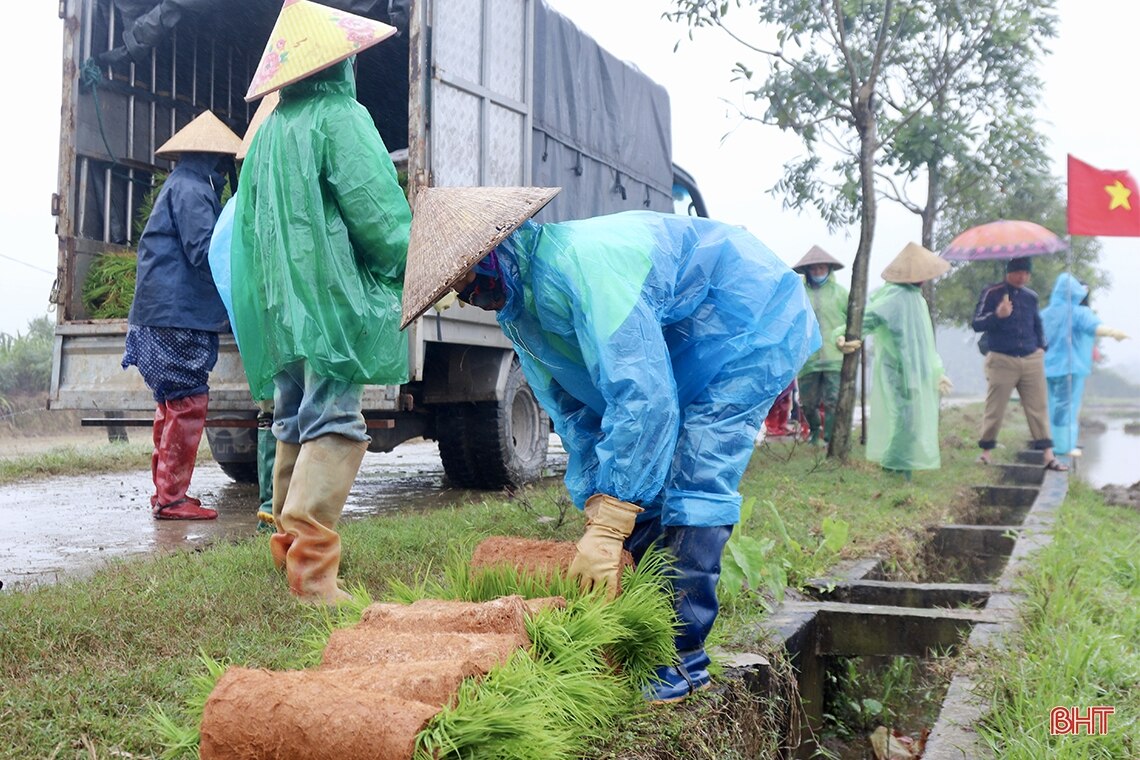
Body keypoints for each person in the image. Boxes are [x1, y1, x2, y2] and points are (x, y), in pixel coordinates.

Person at [400, 187, 821, 702]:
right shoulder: (521, 311)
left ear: (496, 248)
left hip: (746, 320)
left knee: (695, 469)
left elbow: (643, 399)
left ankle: (680, 659)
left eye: (469, 279)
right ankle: (639, 629)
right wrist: (601, 504)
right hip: (689, 341)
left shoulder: (585, 265)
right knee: (635, 483)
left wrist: (615, 520)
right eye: (457, 291)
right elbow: (577, 411)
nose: (469, 297)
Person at [229, 1, 410, 604]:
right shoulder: (341, 117)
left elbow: (248, 233)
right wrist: (409, 267)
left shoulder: (268, 133)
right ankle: (311, 571)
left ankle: (285, 550)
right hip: (331, 304)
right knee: (333, 419)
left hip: (281, 311)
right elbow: (380, 218)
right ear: (338, 60)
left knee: (291, 420)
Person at [122, 110, 242, 520]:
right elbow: (203, 250)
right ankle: (172, 498)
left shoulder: (183, 183)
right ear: (214, 157)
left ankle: (166, 494)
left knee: (172, 402)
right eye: (225, 162)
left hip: (158, 315)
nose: (227, 171)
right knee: (188, 400)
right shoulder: (193, 189)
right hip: (176, 316)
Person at [208, 93, 280, 534]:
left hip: (252, 329)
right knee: (291, 417)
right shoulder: (271, 203)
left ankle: (270, 512)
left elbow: (223, 270)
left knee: (270, 415)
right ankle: (281, 514)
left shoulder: (232, 210)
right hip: (279, 326)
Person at [836, 243, 952, 479]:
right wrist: (840, 336)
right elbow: (863, 322)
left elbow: (924, 343)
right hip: (898, 371)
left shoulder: (917, 299)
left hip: (915, 371)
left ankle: (902, 469)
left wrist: (936, 371)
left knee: (913, 421)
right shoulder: (894, 298)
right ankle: (893, 467)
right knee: (906, 420)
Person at [972, 257, 1068, 471]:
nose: (1022, 276)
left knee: (1038, 407)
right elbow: (976, 323)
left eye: (1026, 273)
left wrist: (1042, 347)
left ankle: (1048, 456)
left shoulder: (1030, 297)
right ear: (1009, 272)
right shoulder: (992, 292)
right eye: (1018, 272)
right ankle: (986, 452)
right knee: (995, 407)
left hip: (1030, 358)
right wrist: (998, 314)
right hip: (1002, 358)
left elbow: (1037, 324)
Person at [1040, 273, 1129, 455]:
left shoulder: (1045, 314)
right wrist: (1114, 332)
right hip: (1070, 368)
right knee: (1067, 408)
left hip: (1047, 368)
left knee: (1050, 406)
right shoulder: (1079, 312)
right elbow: (1094, 327)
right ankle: (1064, 446)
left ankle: (1048, 443)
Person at [792, 245, 849, 445]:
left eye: (822, 268)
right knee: (807, 403)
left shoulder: (841, 294)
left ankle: (830, 437)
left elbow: (853, 321)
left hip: (835, 357)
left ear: (829, 270)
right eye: (814, 269)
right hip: (808, 357)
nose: (818, 272)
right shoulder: (798, 294)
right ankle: (815, 431)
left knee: (833, 400)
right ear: (807, 271)